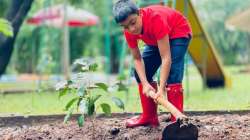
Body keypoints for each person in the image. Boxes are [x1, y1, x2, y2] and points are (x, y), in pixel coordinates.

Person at [113, 0, 192, 128]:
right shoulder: (129, 32)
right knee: (141, 73)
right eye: (125, 26)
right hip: (157, 39)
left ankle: (177, 124)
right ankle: (149, 117)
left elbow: (166, 58)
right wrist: (145, 84)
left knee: (173, 73)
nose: (131, 29)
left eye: (133, 22)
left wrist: (160, 90)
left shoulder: (155, 19)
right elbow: (137, 59)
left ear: (139, 13)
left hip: (178, 31)